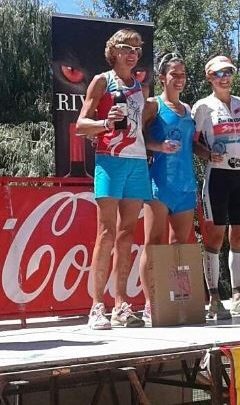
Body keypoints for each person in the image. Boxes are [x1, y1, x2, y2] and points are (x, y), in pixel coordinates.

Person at [76, 28, 151, 330]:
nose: (132, 53)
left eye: (137, 48)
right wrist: (104, 124)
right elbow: (81, 124)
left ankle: (121, 304)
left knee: (127, 234)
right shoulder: (102, 80)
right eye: (126, 47)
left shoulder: (141, 87)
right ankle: (97, 306)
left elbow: (140, 128)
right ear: (113, 51)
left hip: (136, 162)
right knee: (106, 232)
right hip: (110, 161)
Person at [192, 55, 240, 320]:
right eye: (218, 73)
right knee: (214, 238)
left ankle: (238, 296)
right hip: (218, 177)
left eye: (228, 72)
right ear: (209, 78)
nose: (225, 77)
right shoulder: (202, 106)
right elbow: (192, 143)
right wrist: (206, 154)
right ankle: (213, 297)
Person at [139, 53, 198, 326]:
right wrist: (158, 147)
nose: (179, 79)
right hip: (159, 183)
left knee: (179, 247)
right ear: (162, 77)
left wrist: (209, 153)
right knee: (154, 245)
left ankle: (177, 302)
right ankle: (151, 303)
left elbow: (191, 145)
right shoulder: (153, 106)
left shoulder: (189, 110)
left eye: (183, 74)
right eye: (174, 74)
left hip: (185, 184)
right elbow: (135, 138)